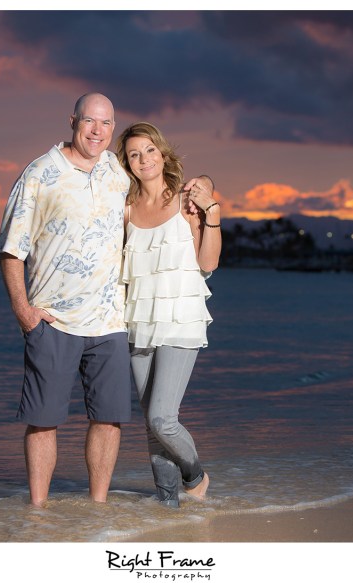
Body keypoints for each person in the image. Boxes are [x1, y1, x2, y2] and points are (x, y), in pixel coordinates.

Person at [0, 95, 212, 507]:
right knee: (43, 422)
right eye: (89, 121)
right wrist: (24, 312)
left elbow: (161, 179)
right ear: (73, 121)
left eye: (106, 123)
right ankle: (36, 514)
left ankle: (97, 509)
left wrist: (206, 188)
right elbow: (11, 248)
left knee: (109, 420)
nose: (97, 131)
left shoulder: (117, 170)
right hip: (53, 320)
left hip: (112, 322)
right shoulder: (40, 173)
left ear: (113, 127)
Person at [116, 122, 221, 507]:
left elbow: (207, 263)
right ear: (127, 164)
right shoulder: (125, 210)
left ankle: (195, 475)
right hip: (139, 320)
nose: (143, 159)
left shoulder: (185, 203)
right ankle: (167, 506)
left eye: (149, 150)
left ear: (162, 154)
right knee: (151, 425)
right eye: (134, 154)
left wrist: (212, 210)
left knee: (163, 419)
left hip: (181, 318)